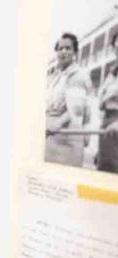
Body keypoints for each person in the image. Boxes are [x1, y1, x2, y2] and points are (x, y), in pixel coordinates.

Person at [45, 32, 91, 167]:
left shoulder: (79, 75)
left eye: (68, 48)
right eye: (60, 48)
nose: (63, 51)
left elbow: (74, 110)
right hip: (51, 138)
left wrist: (55, 126)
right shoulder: (56, 77)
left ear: (75, 52)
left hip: (66, 140)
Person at [96, 32, 118, 173]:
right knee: (105, 169)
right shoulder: (112, 73)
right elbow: (101, 101)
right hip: (106, 123)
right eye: (116, 47)